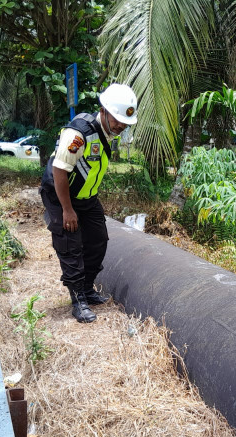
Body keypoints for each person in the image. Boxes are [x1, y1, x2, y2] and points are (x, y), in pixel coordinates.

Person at [39, 83, 138, 323]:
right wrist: (67, 210)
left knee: (98, 241)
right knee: (70, 246)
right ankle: (78, 301)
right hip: (61, 196)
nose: (121, 126)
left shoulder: (106, 133)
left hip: (87, 198)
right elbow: (60, 170)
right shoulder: (78, 134)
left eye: (125, 123)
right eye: (117, 120)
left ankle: (87, 289)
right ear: (104, 111)